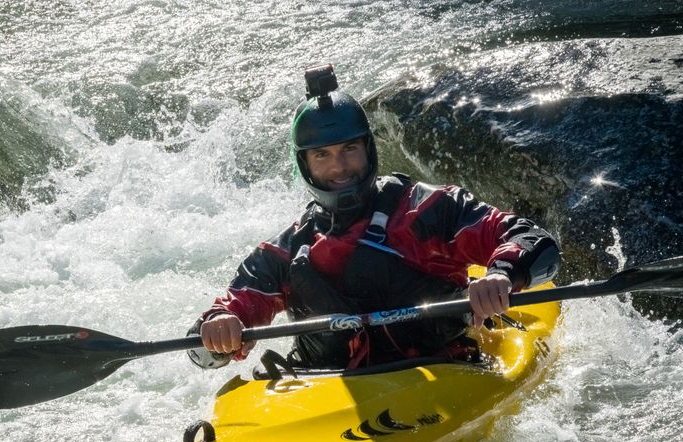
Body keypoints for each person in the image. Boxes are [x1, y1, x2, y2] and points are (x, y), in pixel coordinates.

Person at [187, 64, 560, 371]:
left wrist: (502, 273)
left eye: (349, 149)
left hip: (441, 370)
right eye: (323, 155)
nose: (340, 166)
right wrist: (218, 329)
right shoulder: (286, 251)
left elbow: (535, 240)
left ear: (368, 149)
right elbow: (202, 348)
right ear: (304, 164)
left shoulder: (427, 209)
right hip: (328, 387)